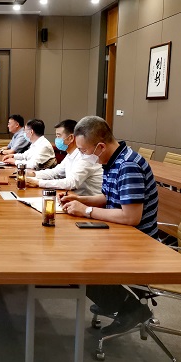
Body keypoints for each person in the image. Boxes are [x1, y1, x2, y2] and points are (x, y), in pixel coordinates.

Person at [61, 115, 158, 336]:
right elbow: (108, 197)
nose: (83, 155)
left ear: (101, 146)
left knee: (81, 265)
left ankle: (131, 309)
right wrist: (80, 199)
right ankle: (114, 300)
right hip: (121, 234)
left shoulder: (128, 166)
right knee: (74, 250)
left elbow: (130, 217)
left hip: (139, 244)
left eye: (84, 151)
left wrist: (85, 211)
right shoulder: (113, 160)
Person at [25, 119, 103, 196]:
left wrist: (38, 183)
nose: (56, 139)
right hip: (74, 197)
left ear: (71, 138)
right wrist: (33, 174)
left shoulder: (85, 157)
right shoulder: (70, 154)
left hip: (88, 201)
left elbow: (71, 183)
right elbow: (55, 172)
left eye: (59, 136)